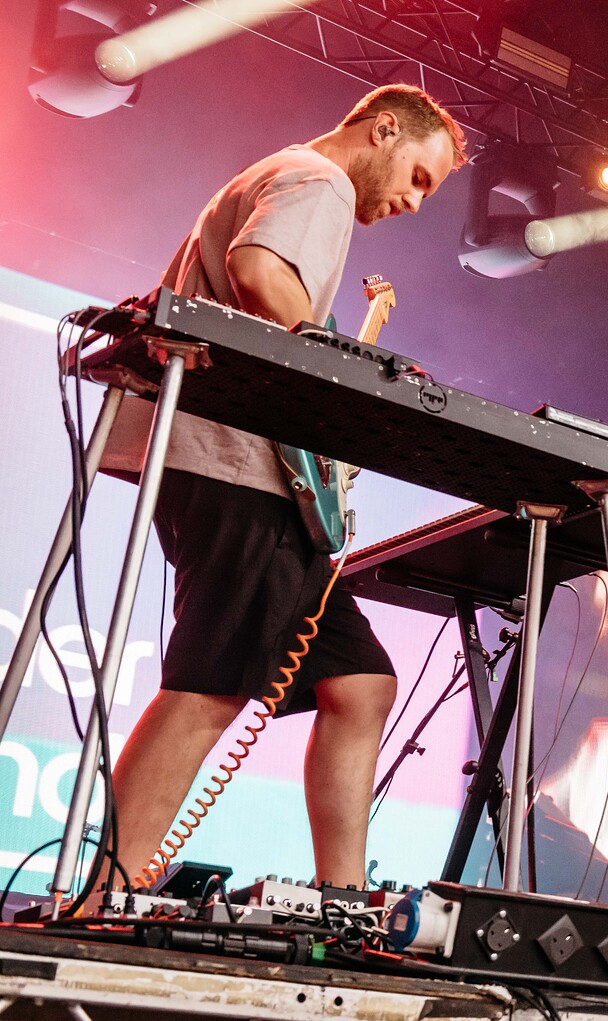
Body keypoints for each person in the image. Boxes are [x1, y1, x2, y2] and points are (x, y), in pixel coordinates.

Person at [99, 85, 466, 890]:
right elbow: (259, 269)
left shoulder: (289, 176)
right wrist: (339, 372)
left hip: (247, 471)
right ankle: (104, 896)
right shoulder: (319, 178)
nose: (413, 203)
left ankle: (343, 901)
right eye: (417, 178)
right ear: (384, 130)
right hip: (235, 466)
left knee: (361, 683)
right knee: (208, 688)